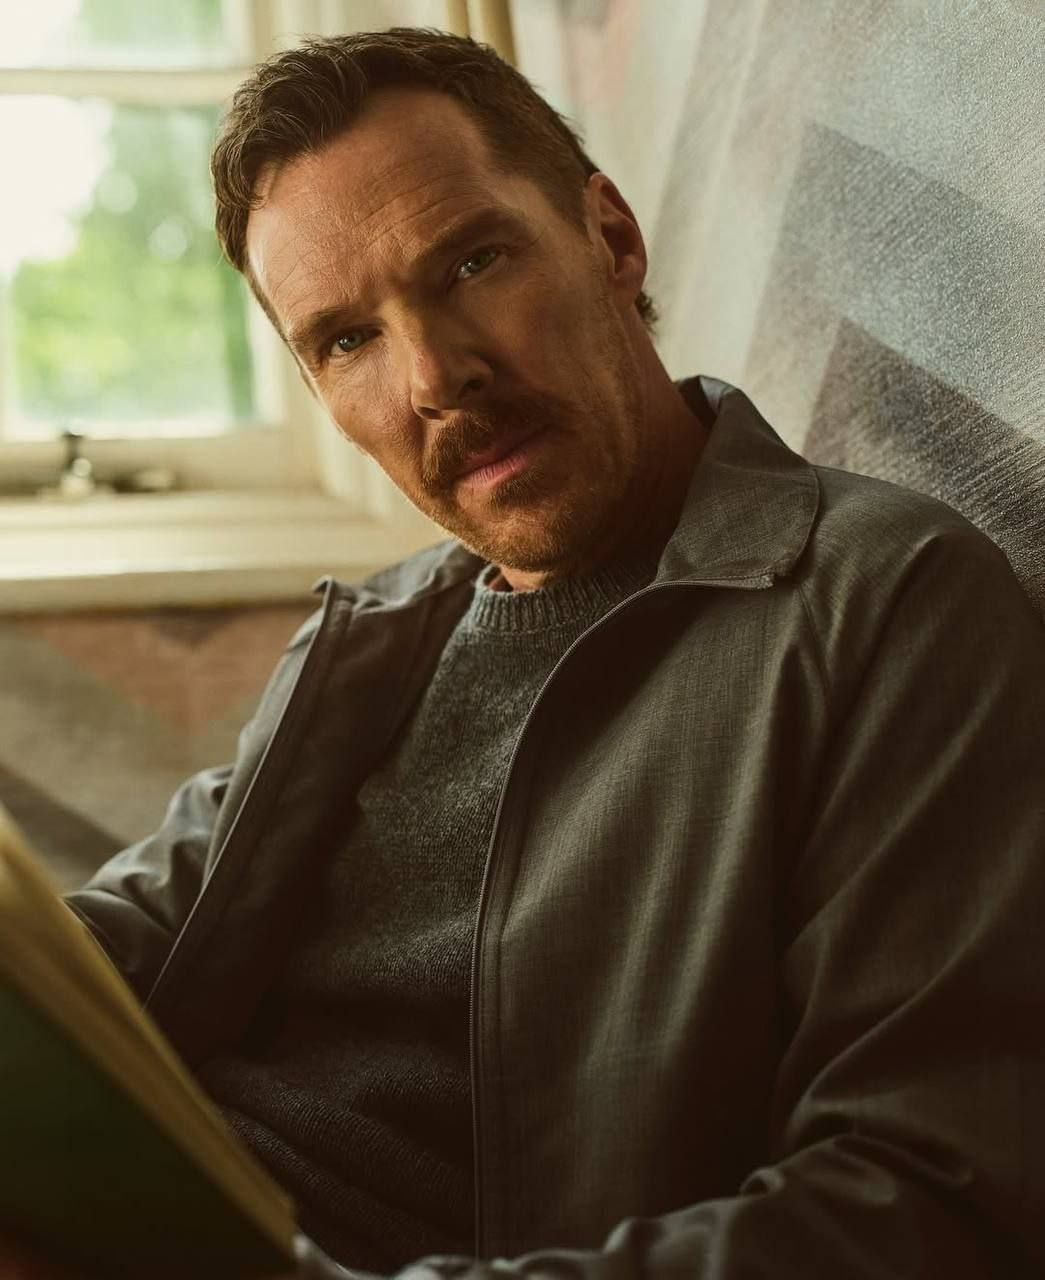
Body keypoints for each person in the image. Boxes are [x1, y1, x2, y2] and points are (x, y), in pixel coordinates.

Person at [16, 26, 1045, 1280]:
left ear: (609, 237)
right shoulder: (377, 634)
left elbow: (933, 1201)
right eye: (346, 339)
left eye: (472, 261)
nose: (434, 376)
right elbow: (111, 943)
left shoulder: (881, 600)